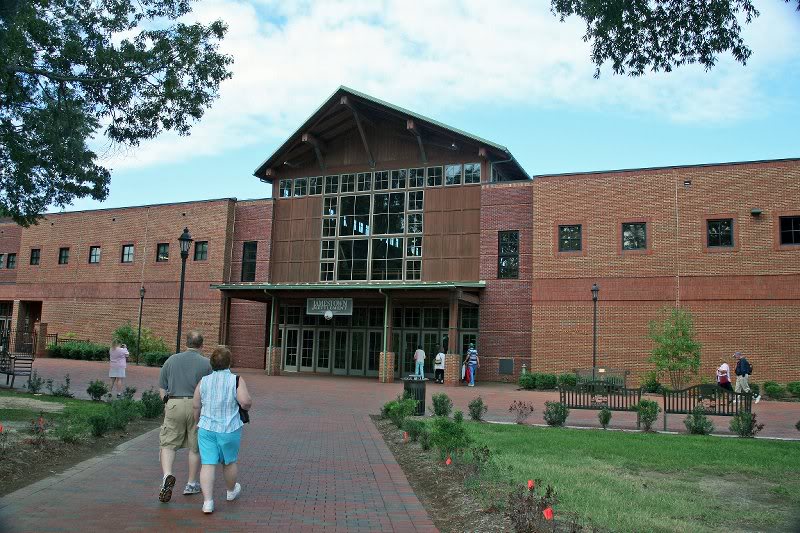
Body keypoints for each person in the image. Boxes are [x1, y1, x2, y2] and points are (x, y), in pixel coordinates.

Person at [193, 346, 252, 514]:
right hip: (229, 428)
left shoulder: (203, 381)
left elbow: (196, 405)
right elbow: (245, 402)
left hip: (207, 428)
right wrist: (247, 404)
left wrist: (197, 421)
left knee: (208, 463)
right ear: (229, 362)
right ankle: (231, 491)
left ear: (212, 362)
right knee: (229, 461)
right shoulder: (236, 380)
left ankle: (208, 502)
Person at [157, 330, 212, 503]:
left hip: (175, 403)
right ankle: (191, 483)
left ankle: (167, 475)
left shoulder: (172, 360)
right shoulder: (207, 363)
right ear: (202, 345)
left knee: (168, 444)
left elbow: (162, 387)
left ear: (185, 343)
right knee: (194, 447)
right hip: (198, 406)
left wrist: (167, 403)